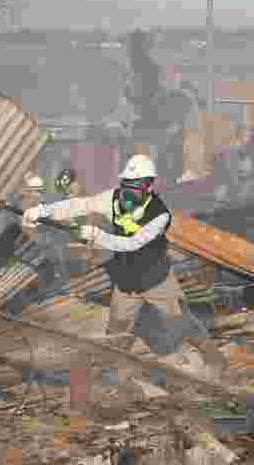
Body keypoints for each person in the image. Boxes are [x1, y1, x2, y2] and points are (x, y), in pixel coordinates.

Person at [22, 154, 225, 392]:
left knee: (181, 322)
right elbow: (79, 205)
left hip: (156, 280)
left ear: (149, 186)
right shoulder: (112, 199)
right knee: (117, 331)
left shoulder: (159, 215)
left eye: (135, 187)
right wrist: (42, 211)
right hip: (125, 283)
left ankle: (215, 359)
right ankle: (115, 377)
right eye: (126, 185)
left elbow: (133, 244)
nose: (129, 192)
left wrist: (99, 236)